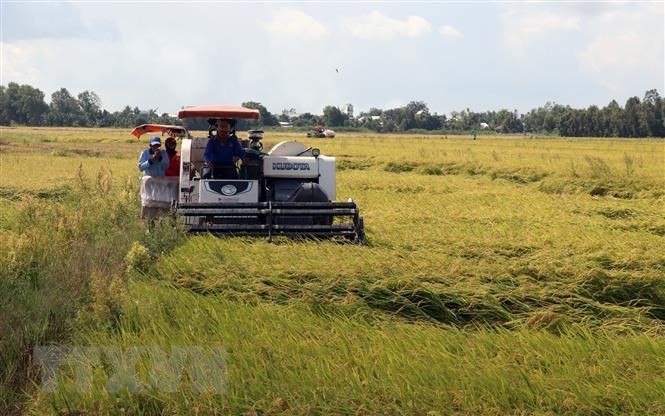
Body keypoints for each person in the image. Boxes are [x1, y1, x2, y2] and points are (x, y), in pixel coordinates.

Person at [137, 136, 171, 220]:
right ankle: (148, 223)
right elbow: (141, 167)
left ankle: (161, 223)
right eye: (154, 145)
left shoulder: (164, 154)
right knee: (148, 204)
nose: (156, 147)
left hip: (160, 183)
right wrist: (151, 160)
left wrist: (159, 158)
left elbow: (166, 166)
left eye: (158, 145)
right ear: (150, 145)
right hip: (149, 184)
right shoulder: (144, 153)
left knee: (161, 203)